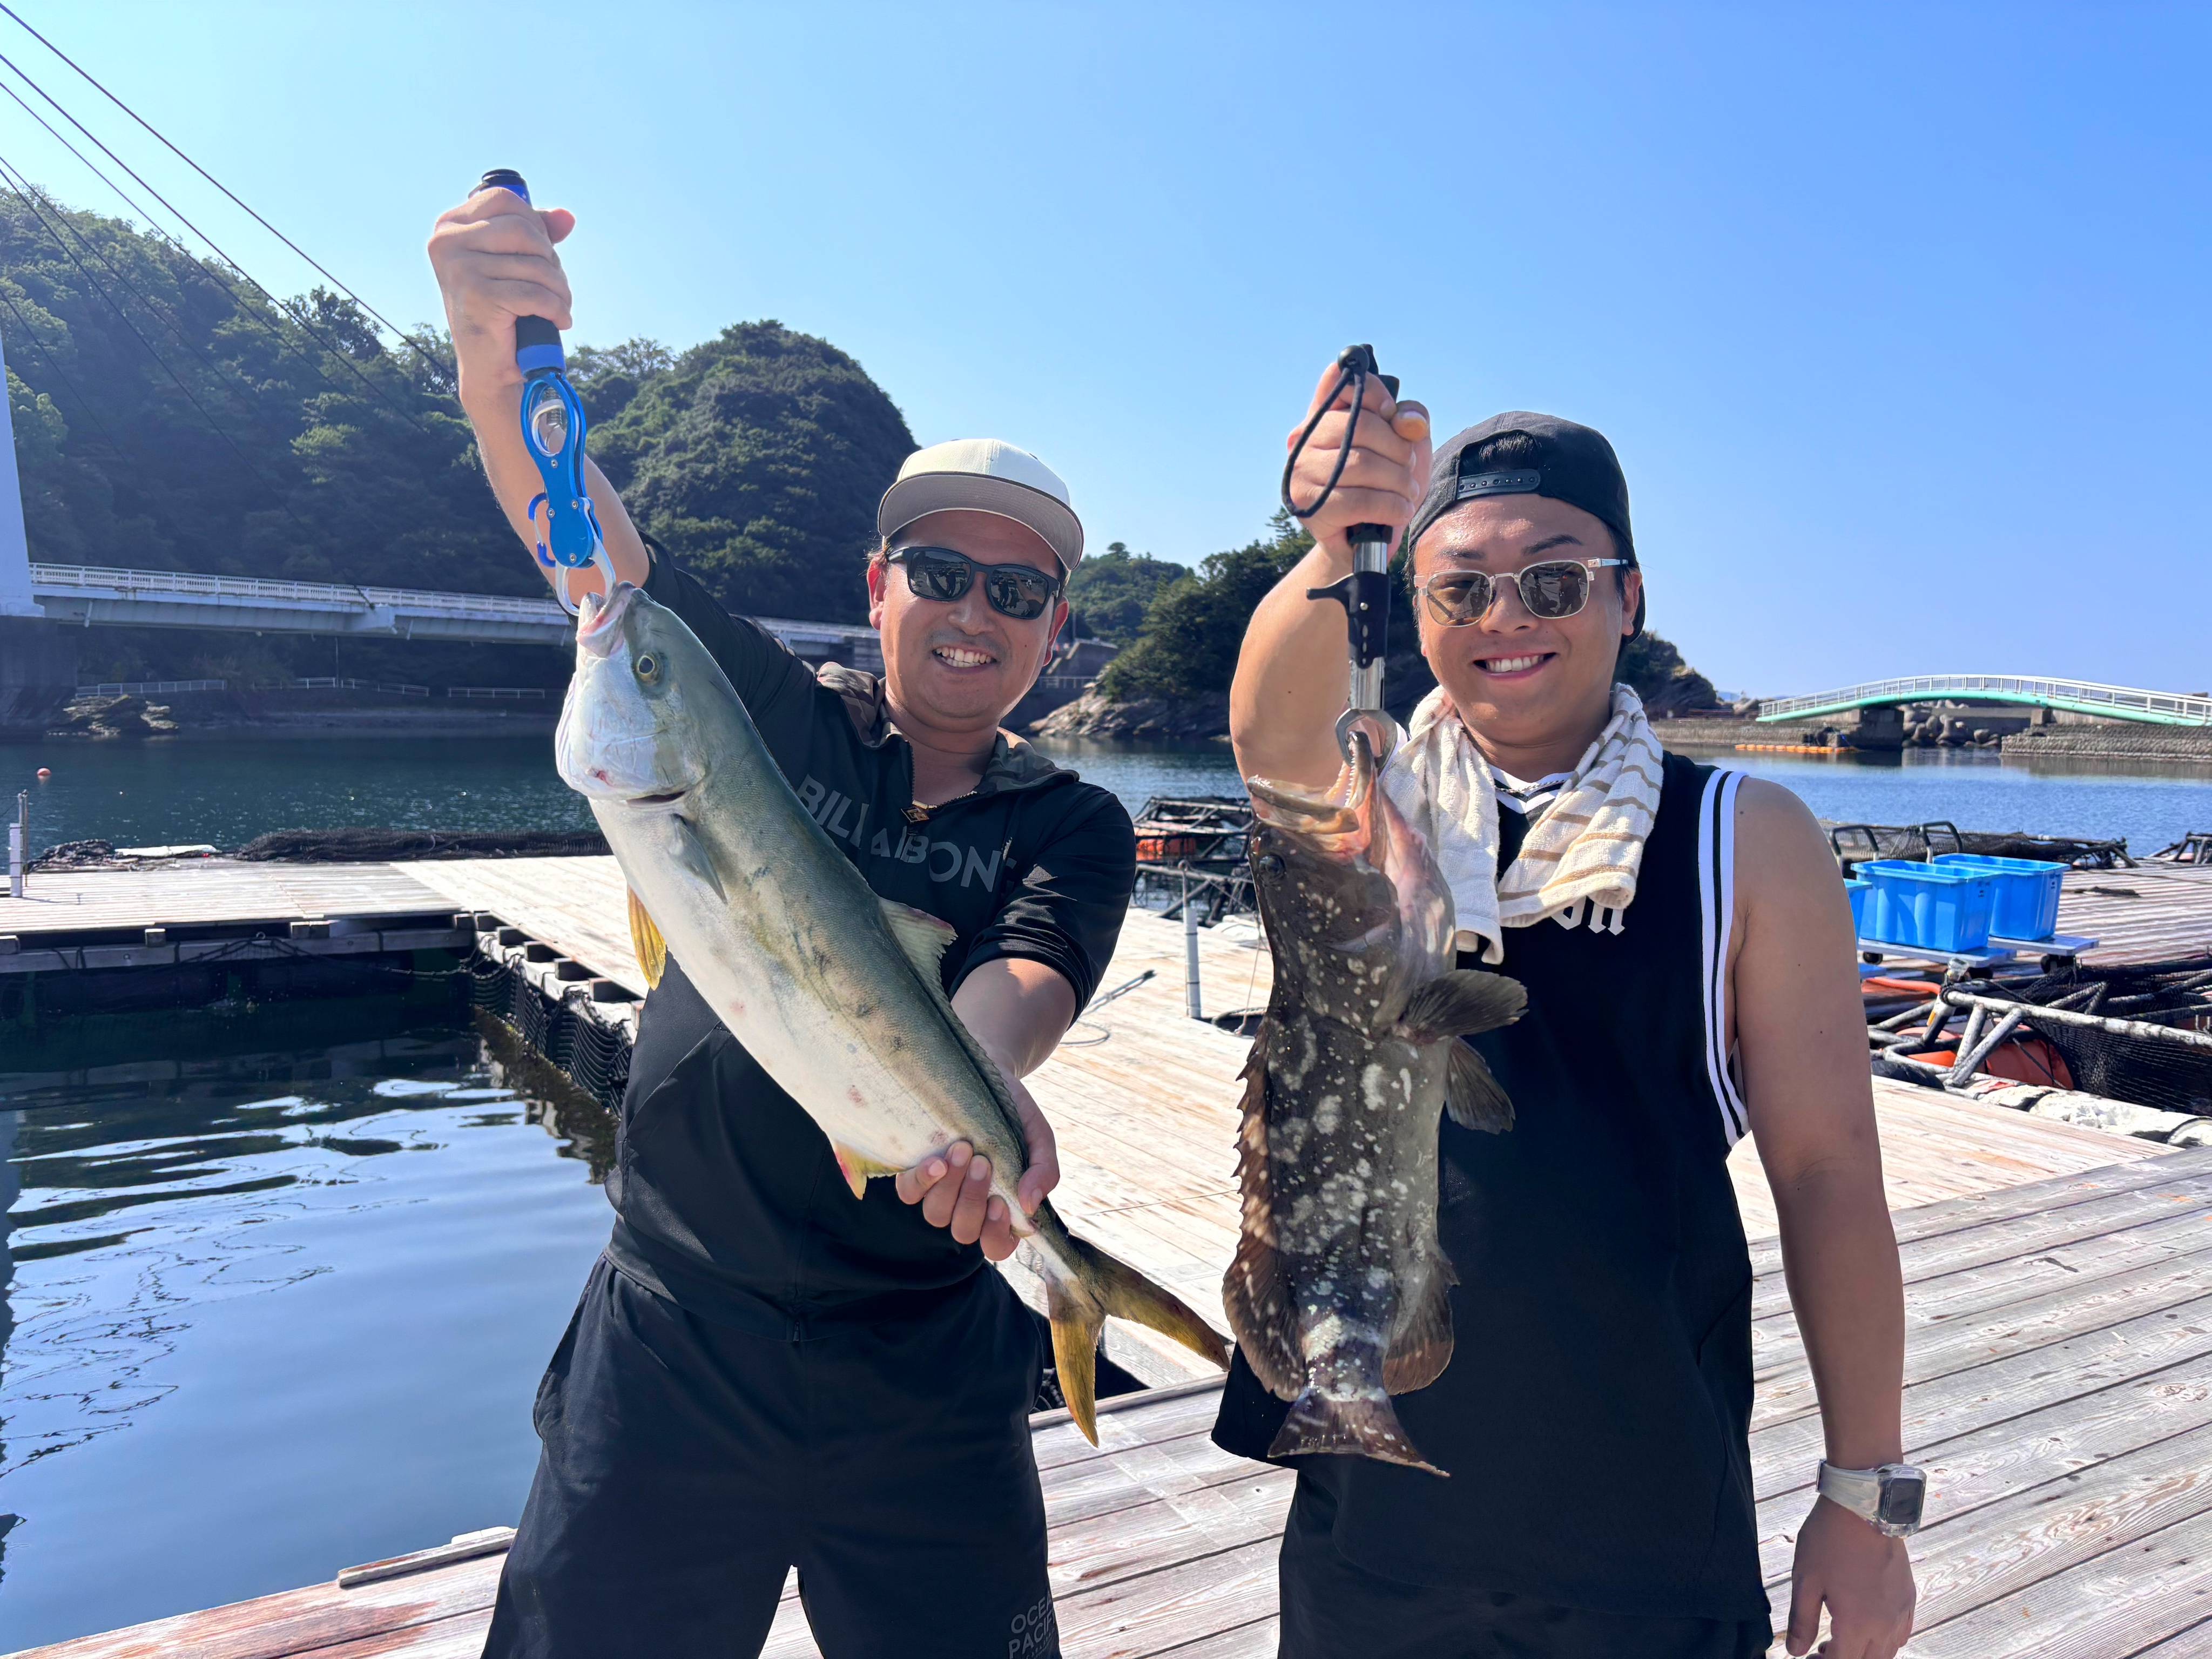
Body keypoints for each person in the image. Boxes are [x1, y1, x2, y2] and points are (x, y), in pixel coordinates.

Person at [428, 181, 1133, 1659]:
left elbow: (1024, 979)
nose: (973, 609)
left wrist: (980, 1095)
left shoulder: (1073, 821)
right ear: (877, 588)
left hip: (934, 1366)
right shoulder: (761, 717)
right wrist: (493, 347)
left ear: (1055, 629)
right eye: (939, 572)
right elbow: (588, 545)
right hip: (679, 1335)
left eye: (1017, 588)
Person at [1214, 365, 1921, 1659]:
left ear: (1627, 597)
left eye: (1552, 579)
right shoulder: (1370, 811)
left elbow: (1825, 1174)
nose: (1505, 616)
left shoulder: (1742, 838)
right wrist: (1332, 544)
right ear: (1411, 608)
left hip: (1644, 1521)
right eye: (1460, 585)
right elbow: (1265, 733)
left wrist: (1862, 1496)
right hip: (1373, 1508)